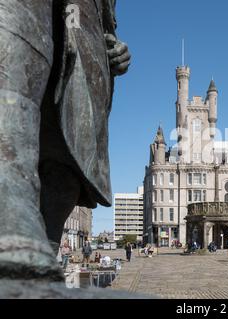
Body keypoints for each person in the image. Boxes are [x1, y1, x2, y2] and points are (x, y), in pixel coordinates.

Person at [0, 0, 131, 279]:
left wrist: (113, 49)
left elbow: (104, 19)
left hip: (84, 40)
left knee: (66, 175)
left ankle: (39, 263)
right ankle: (10, 215)